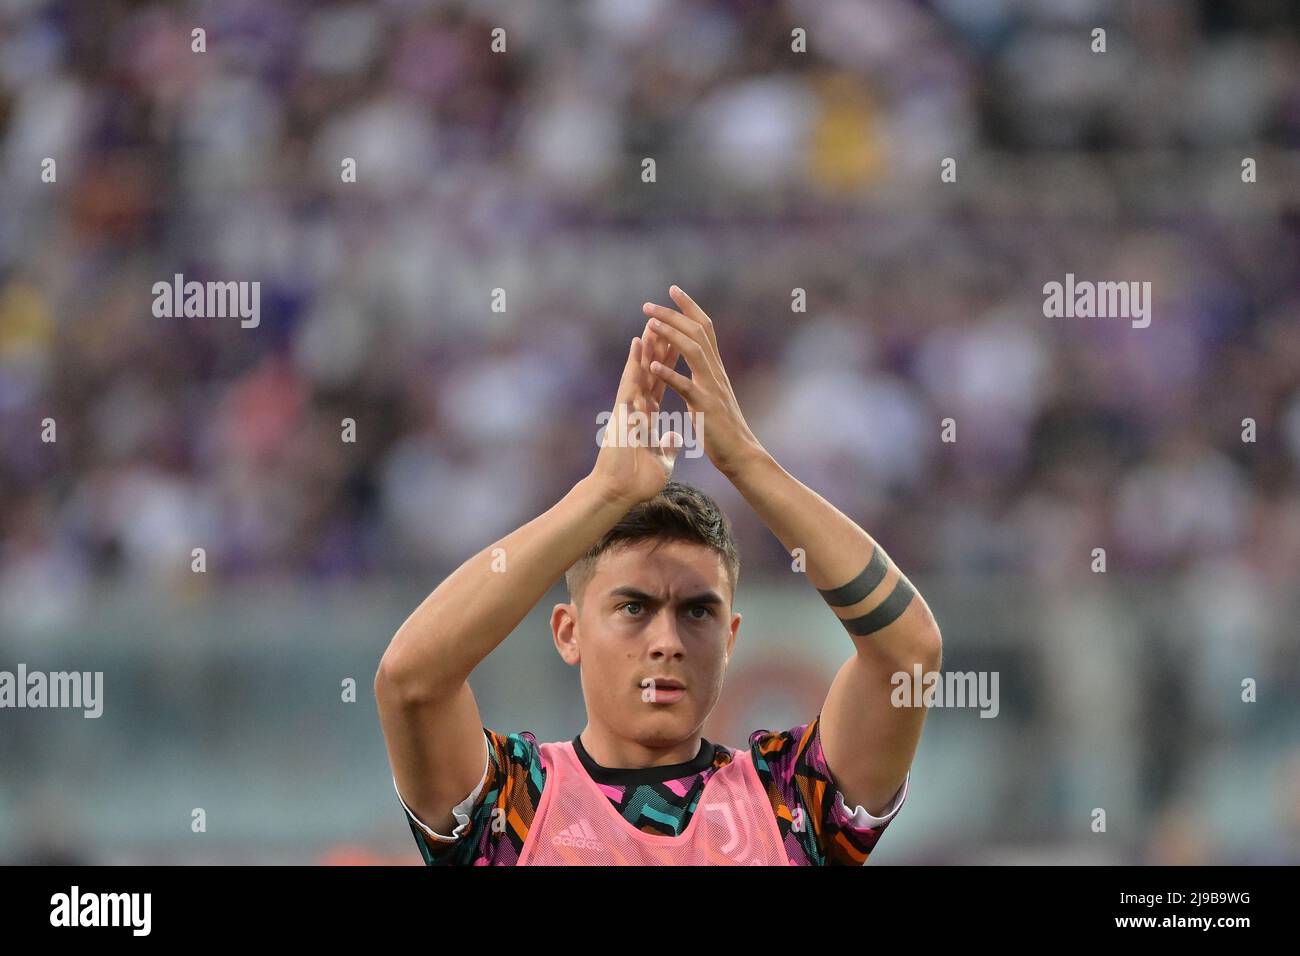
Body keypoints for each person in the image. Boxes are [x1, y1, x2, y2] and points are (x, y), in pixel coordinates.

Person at [375, 285, 943, 865]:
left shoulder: (790, 799)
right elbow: (410, 681)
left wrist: (748, 462)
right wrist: (603, 492)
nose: (667, 643)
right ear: (568, 631)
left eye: (698, 611)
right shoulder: (510, 804)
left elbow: (909, 656)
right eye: (633, 608)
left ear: (730, 639)